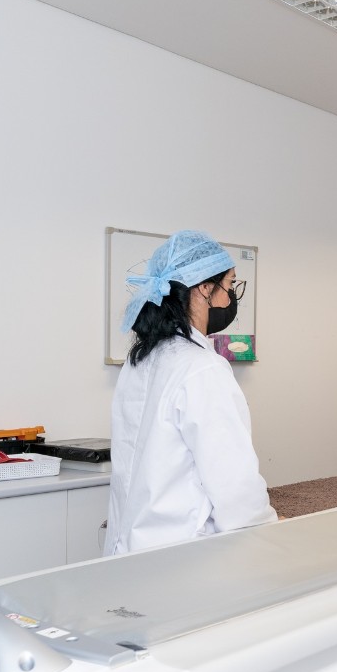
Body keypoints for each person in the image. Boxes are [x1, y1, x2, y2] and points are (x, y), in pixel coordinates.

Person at [105, 230, 278, 555]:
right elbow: (234, 488)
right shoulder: (202, 369)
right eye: (230, 286)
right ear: (204, 288)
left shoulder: (140, 361)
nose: (230, 300)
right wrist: (269, 540)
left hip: (128, 552)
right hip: (182, 558)